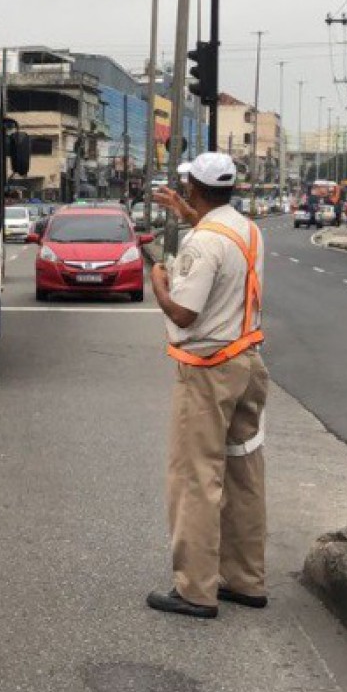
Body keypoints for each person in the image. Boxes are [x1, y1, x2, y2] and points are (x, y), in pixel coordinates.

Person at [144, 151, 269, 620]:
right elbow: (219, 237)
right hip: (247, 361)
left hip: (208, 369)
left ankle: (195, 590)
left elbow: (183, 313)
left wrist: (158, 281)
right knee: (243, 474)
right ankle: (245, 579)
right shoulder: (248, 230)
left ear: (194, 188)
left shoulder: (201, 244)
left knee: (196, 477)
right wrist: (188, 213)